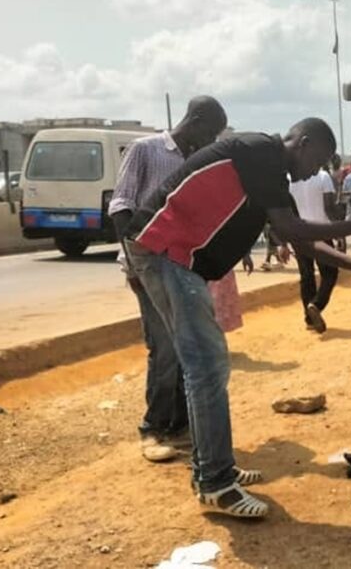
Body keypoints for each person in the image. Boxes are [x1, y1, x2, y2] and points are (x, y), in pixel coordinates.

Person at [125, 113, 351, 518]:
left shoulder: (265, 173)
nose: (318, 170)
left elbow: (300, 242)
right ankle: (215, 482)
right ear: (302, 142)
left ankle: (215, 469)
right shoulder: (261, 152)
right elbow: (294, 227)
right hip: (165, 252)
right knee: (206, 368)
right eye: (319, 159)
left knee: (206, 367)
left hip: (173, 258)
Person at [109, 95, 245, 464]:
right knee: (165, 349)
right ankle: (153, 428)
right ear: (195, 120)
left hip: (185, 268)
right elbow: (121, 207)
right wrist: (136, 266)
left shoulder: (196, 161)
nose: (211, 142)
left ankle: (184, 427)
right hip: (149, 266)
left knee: (191, 348)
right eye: (211, 133)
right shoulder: (146, 150)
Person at [289, 165, 340, 333]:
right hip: (321, 231)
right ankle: (316, 305)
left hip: (300, 233)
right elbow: (329, 207)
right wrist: (339, 231)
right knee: (330, 272)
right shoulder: (323, 176)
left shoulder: (289, 180)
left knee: (306, 275)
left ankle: (309, 318)